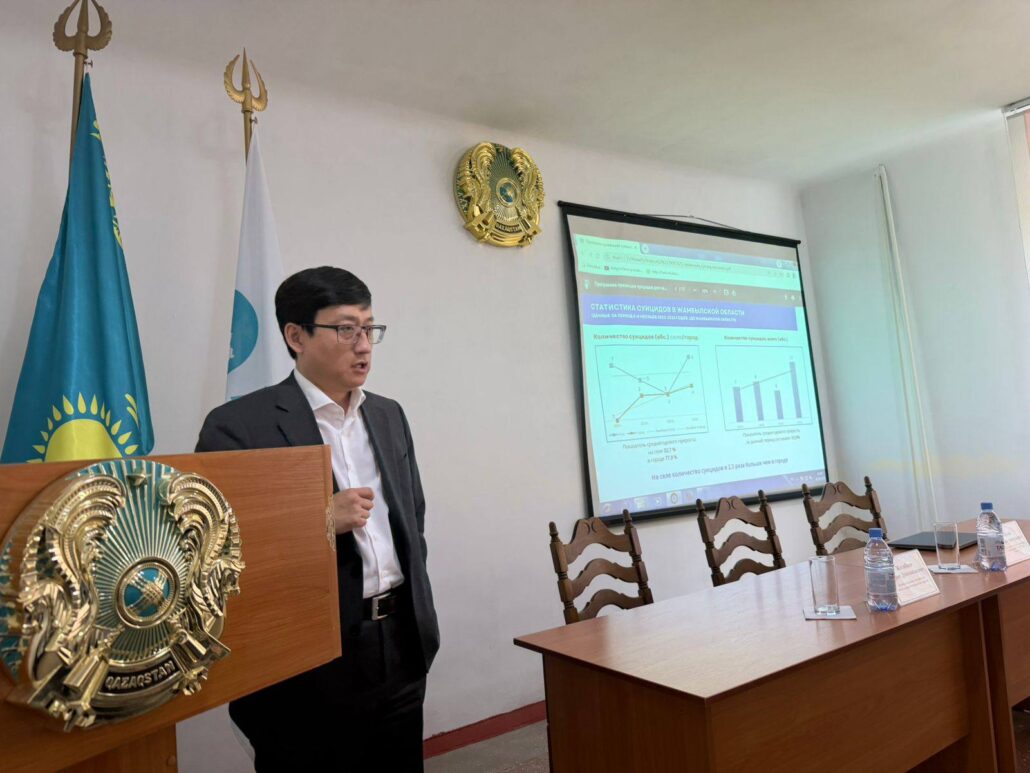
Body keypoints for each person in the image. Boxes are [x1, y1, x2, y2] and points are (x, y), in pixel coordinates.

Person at [196, 266, 439, 771]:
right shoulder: (241, 426)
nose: (363, 346)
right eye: (346, 329)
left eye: (369, 329)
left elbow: (411, 519)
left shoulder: (388, 415)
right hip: (304, 662)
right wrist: (320, 519)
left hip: (398, 642)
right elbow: (215, 551)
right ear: (296, 336)